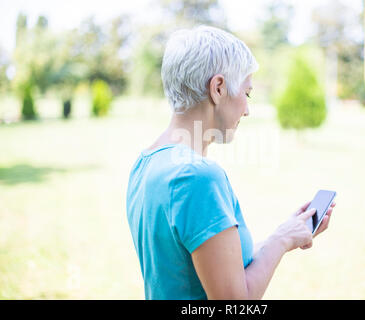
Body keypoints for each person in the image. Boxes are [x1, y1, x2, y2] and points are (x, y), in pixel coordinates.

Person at [126, 25, 336, 300]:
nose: (247, 109)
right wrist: (280, 241)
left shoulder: (145, 164)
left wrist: (286, 233)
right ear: (218, 88)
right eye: (247, 93)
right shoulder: (197, 177)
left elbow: (209, 267)